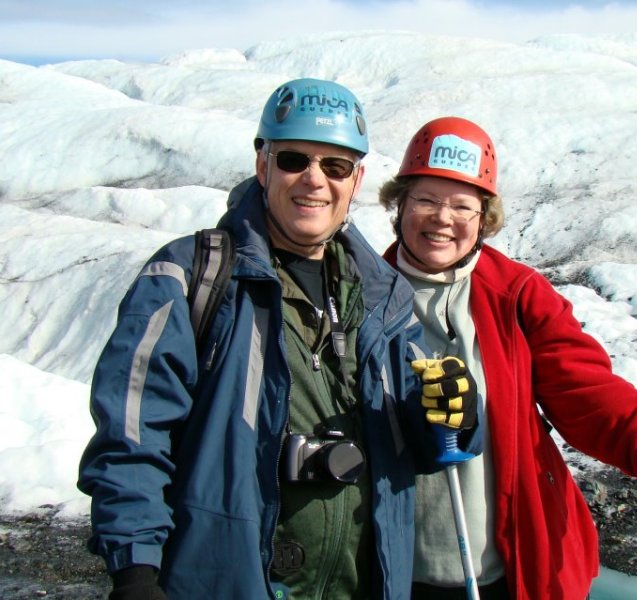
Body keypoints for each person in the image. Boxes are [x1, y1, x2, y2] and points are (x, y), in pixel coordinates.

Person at [77, 79, 479, 600]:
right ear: (262, 165)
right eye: (294, 159)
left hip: (364, 583)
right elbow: (132, 436)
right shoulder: (189, 278)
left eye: (335, 166)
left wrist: (452, 420)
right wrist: (134, 573)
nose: (314, 181)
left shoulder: (384, 298)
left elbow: (418, 448)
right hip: (231, 580)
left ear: (355, 181)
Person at [378, 116, 637, 599]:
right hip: (395, 567)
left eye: (462, 206)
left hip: (508, 566)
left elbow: (588, 395)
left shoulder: (516, 294)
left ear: (484, 218)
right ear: (399, 204)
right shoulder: (363, 294)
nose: (442, 218)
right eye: (425, 199)